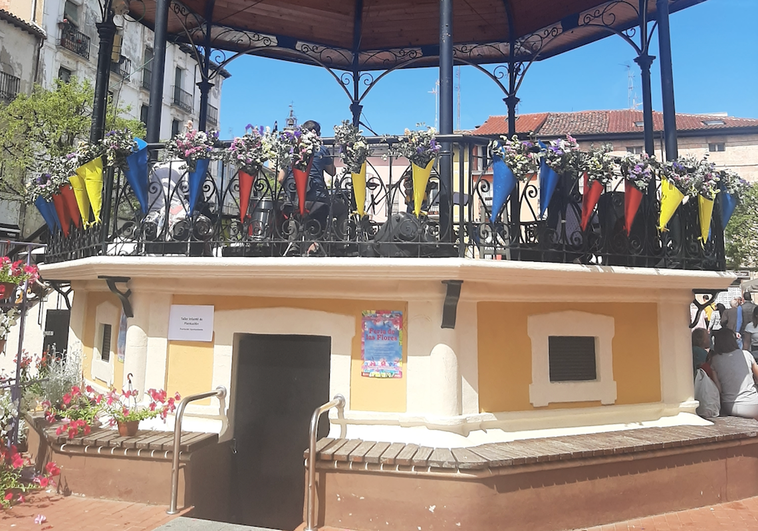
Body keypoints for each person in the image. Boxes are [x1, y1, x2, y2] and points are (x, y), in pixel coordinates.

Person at [277, 120, 337, 228]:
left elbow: (280, 178)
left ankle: (293, 241)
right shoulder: (322, 150)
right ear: (317, 134)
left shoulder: (289, 150)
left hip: (292, 199)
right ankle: (324, 242)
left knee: (293, 218)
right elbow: (332, 172)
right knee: (341, 208)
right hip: (317, 199)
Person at [710, 328, 758, 419]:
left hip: (729, 405)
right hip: (752, 404)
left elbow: (718, 389)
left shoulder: (715, 360)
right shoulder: (746, 354)